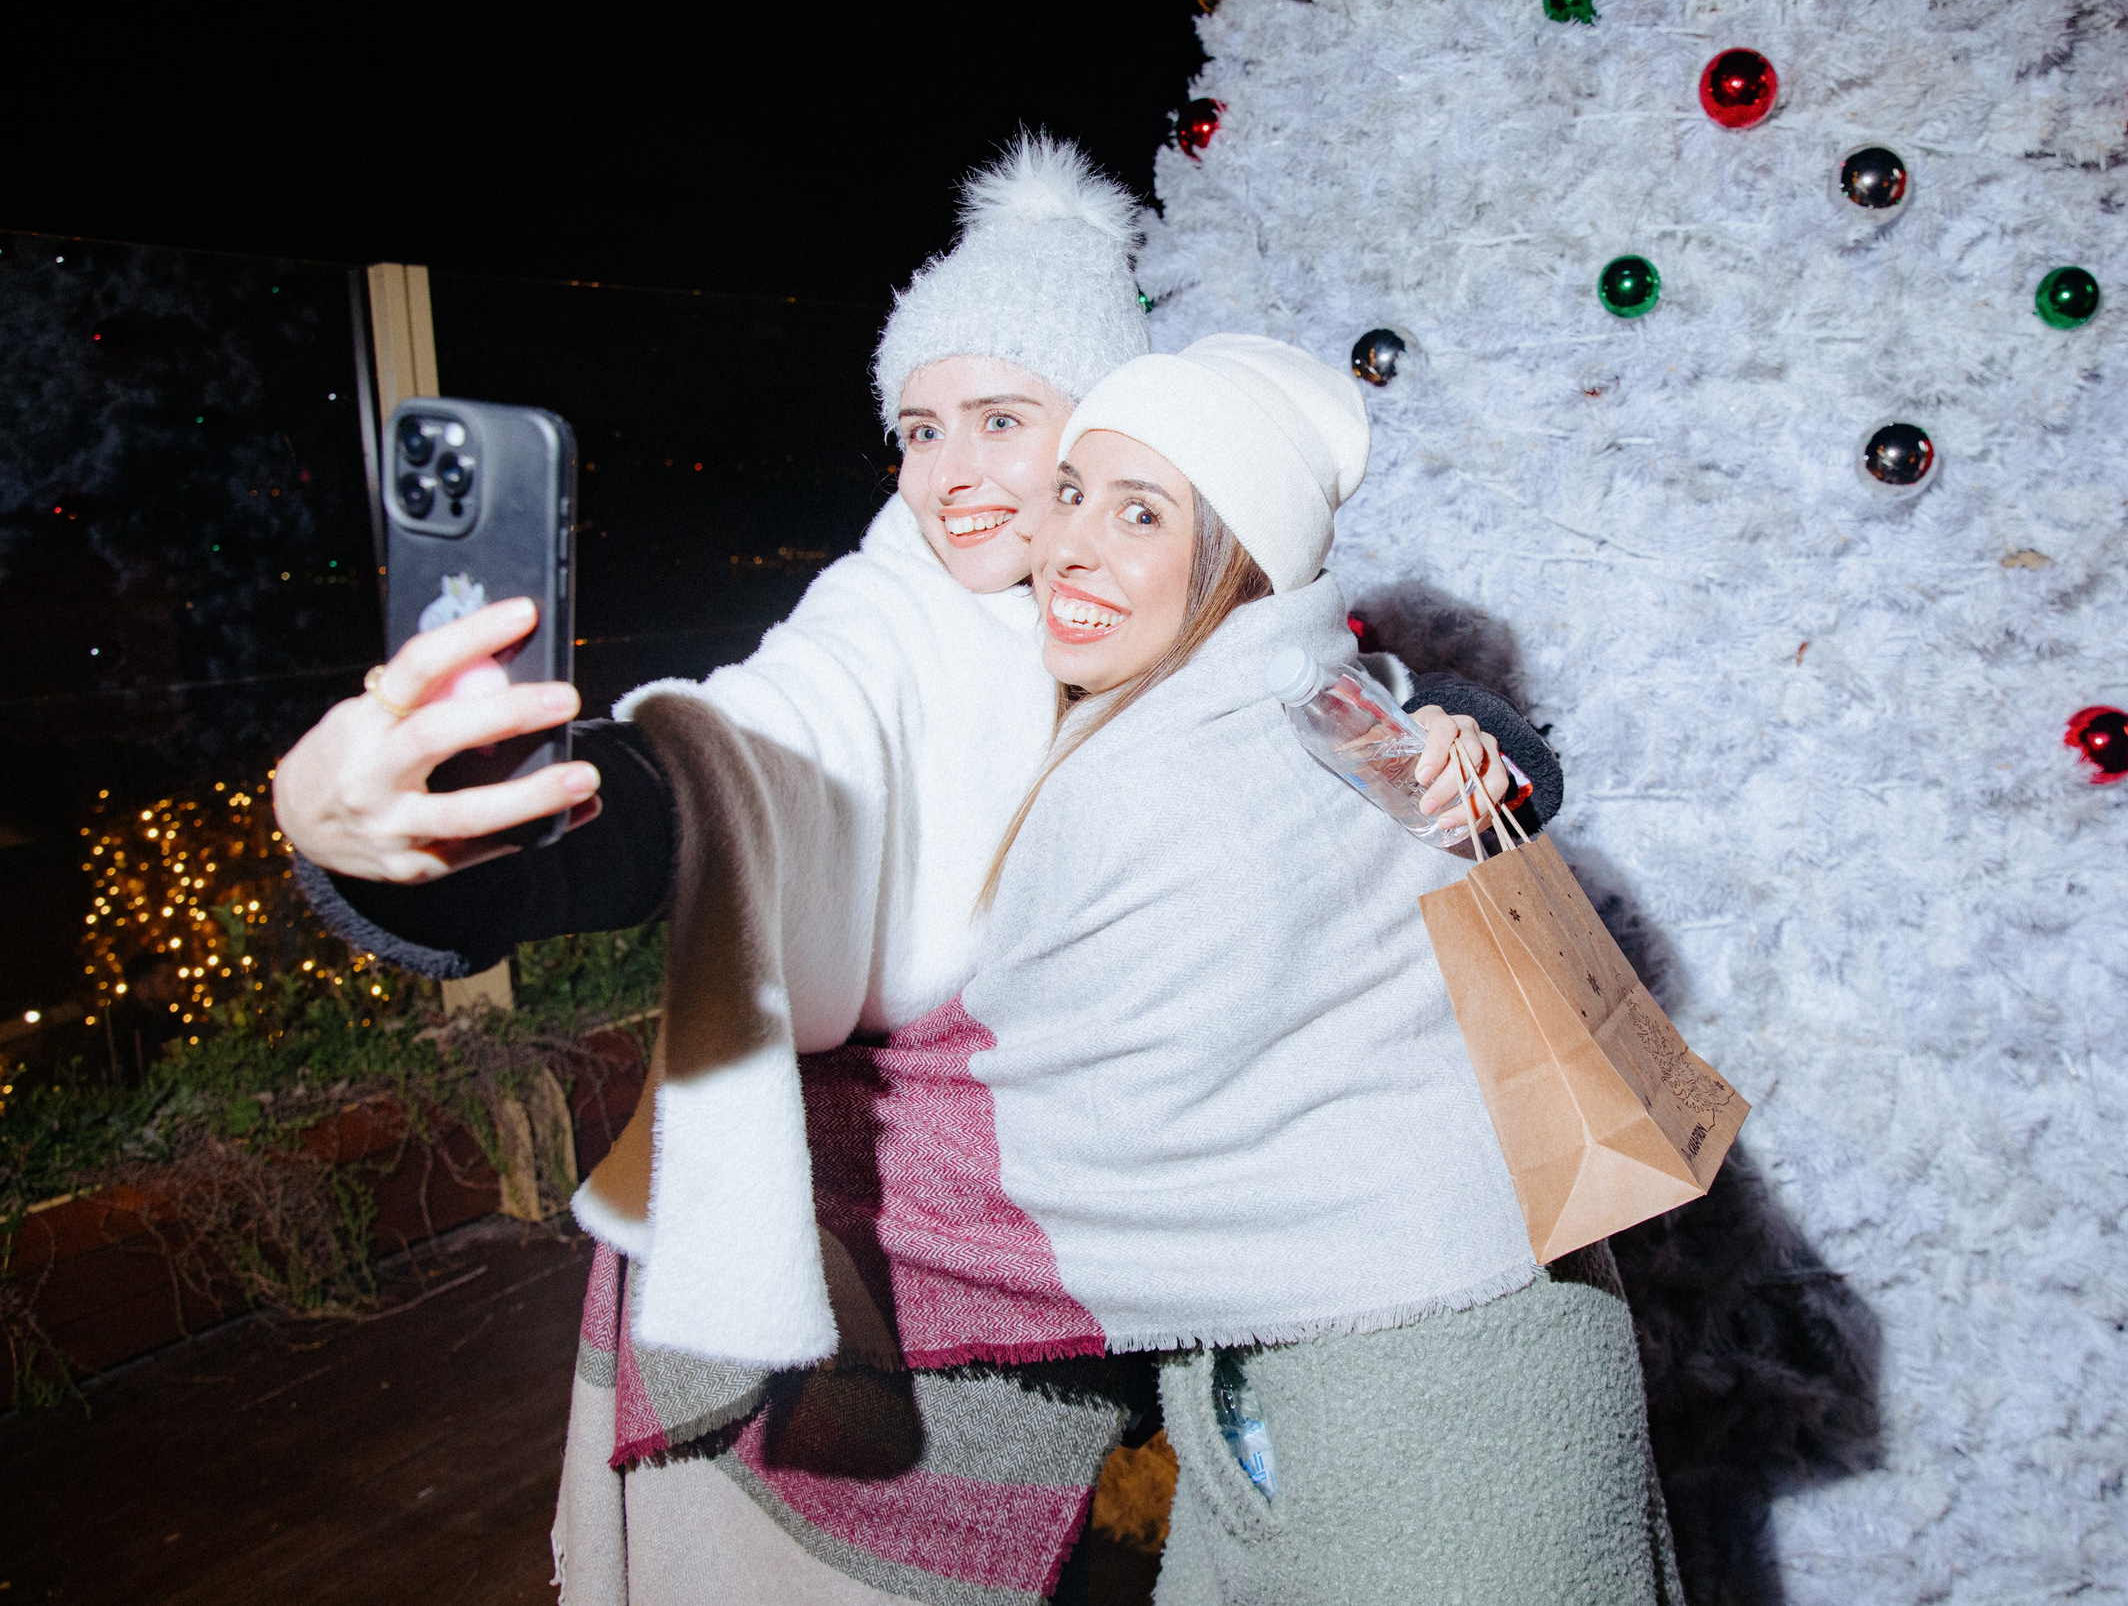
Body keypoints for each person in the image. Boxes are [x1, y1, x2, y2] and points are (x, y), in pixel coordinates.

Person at [273, 139, 1566, 1604]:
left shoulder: (1177, 608)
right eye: (918, 429)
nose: (949, 478)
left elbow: (1347, 698)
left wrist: (1476, 745)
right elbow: (745, 753)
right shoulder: (890, 626)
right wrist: (447, 843)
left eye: (1002, 421)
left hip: (1182, 1290)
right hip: (898, 1313)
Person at [818, 332, 1680, 1603]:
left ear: (1238, 560)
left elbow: (1030, 1116)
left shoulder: (1170, 776)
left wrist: (780, 1149)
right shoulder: (1325, 696)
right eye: (1071, 493)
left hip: (1429, 1405)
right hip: (1401, 1357)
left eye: (1140, 513)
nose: (1067, 547)